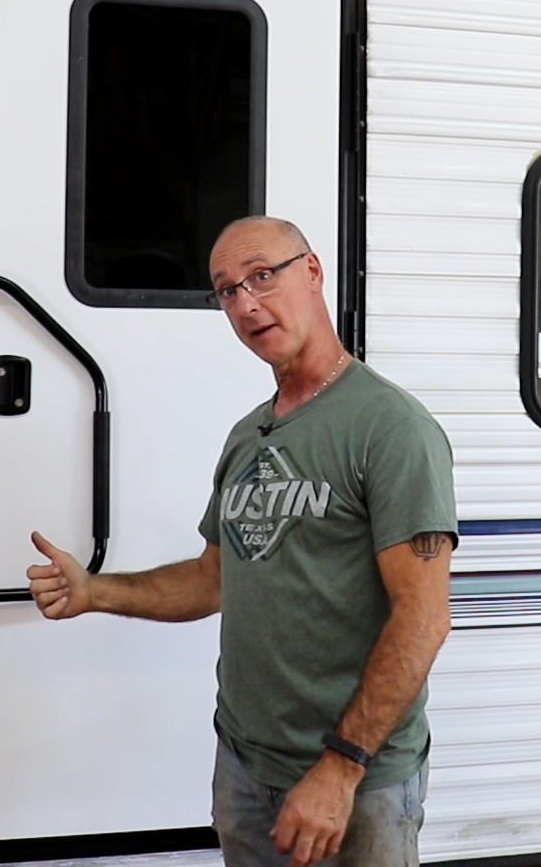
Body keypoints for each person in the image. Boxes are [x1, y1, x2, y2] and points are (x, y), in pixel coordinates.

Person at [27, 216, 458, 867]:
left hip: (358, 779)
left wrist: (340, 770)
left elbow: (424, 618)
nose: (246, 303)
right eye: (227, 290)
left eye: (262, 276)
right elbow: (215, 577)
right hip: (247, 764)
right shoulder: (248, 436)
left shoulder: (390, 428)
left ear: (312, 272)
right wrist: (95, 591)